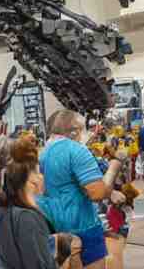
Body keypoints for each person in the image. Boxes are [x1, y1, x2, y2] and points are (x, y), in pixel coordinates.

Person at [38, 110, 124, 269]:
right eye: (83, 128)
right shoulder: (76, 150)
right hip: (84, 227)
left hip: (56, 228)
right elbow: (97, 193)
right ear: (74, 131)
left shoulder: (44, 152)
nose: (87, 134)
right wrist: (114, 167)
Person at [0, 136, 81, 269]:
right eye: (39, 172)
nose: (42, 177)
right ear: (32, 180)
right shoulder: (28, 218)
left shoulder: (3, 210)